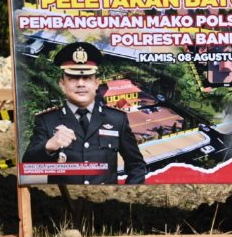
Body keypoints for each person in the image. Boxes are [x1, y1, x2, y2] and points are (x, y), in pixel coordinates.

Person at [22, 42, 146, 184]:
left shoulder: (117, 119)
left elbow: (136, 166)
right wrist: (49, 146)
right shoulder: (47, 120)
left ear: (97, 83)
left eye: (87, 78)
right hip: (63, 200)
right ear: (62, 84)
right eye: (73, 78)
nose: (81, 84)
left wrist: (121, 196)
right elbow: (27, 166)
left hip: (106, 202)